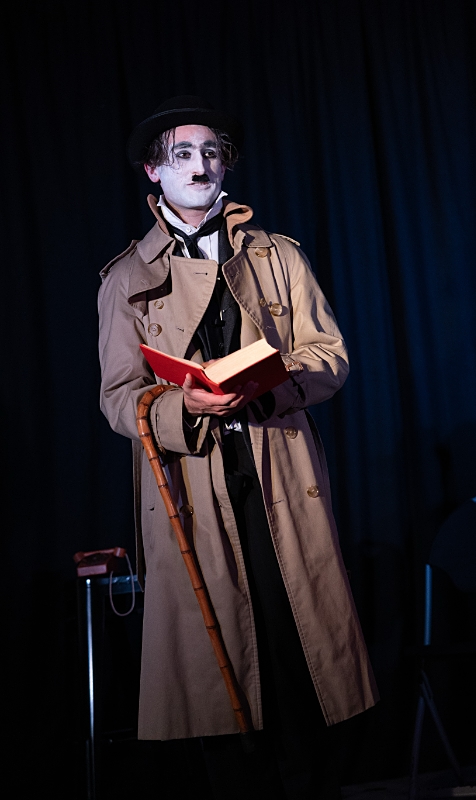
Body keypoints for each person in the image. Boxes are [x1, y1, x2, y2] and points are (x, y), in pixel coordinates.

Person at [98, 95, 378, 799]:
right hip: (192, 483)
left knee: (295, 644)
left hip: (276, 470)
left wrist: (270, 384)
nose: (201, 165)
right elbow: (118, 396)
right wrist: (180, 405)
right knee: (216, 658)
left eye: (211, 152)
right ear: (153, 173)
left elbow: (329, 354)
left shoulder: (277, 256)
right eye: (182, 154)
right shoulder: (126, 278)